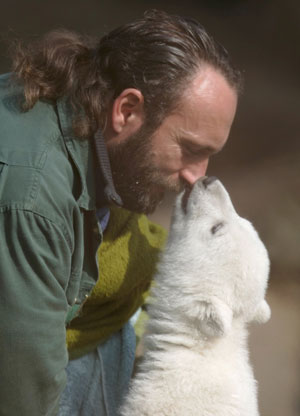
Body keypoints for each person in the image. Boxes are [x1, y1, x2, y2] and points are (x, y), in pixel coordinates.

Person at [0, 9, 241, 416]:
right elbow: (24, 394)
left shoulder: (82, 128)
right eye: (190, 148)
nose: (196, 177)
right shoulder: (33, 199)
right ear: (126, 109)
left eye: (210, 155)